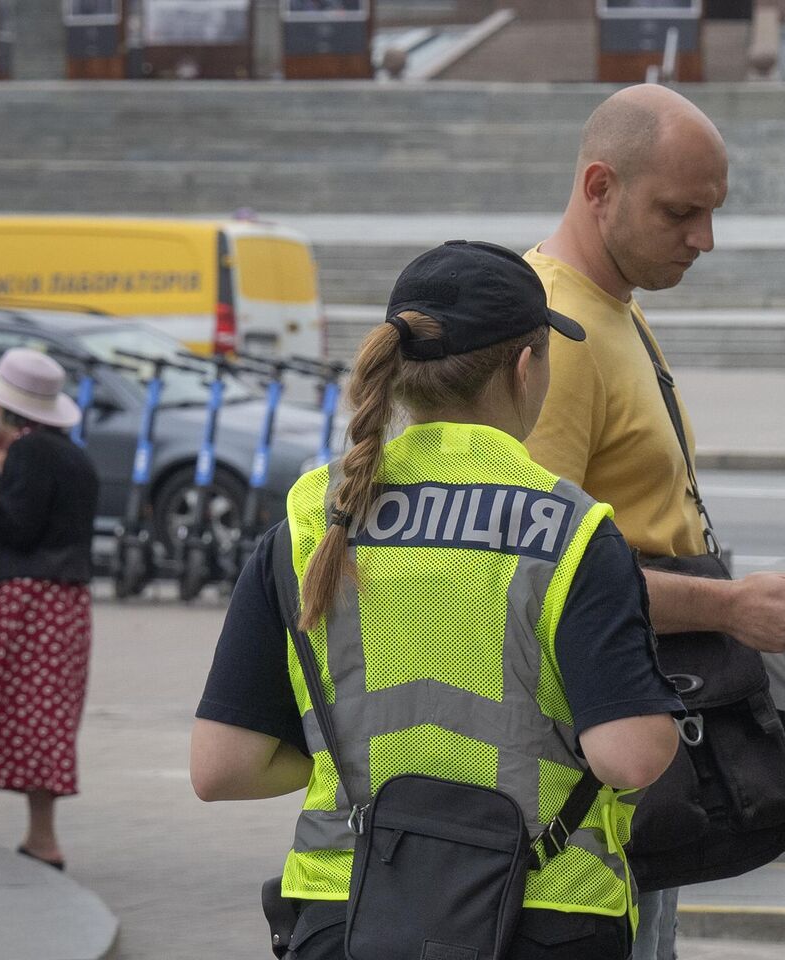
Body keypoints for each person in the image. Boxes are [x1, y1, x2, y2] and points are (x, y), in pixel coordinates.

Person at [190, 241, 683, 959]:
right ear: (526, 366)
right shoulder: (568, 529)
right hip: (543, 913)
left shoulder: (310, 520)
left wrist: (346, 758)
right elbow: (631, 757)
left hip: (346, 911)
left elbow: (221, 767)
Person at [522, 83, 785, 958]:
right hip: (592, 758)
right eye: (681, 212)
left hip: (632, 734)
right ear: (599, 187)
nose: (704, 239)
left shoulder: (613, 308)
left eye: (713, 212)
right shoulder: (554, 334)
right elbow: (539, 574)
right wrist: (729, 609)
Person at [0, 348, 99, 870]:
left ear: (7, 411)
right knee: (46, 718)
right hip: (67, 603)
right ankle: (43, 839)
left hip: (25, 598)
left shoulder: (30, 452)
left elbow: (17, 527)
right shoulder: (72, 454)